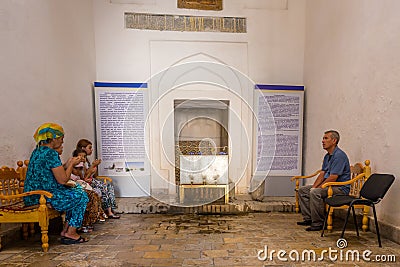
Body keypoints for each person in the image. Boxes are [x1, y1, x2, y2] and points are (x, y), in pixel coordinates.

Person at [23, 123, 89, 244]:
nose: (62, 143)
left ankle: (66, 231)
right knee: (81, 196)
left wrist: (68, 164)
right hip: (42, 196)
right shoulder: (51, 153)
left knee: (77, 191)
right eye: (61, 139)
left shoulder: (37, 151)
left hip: (32, 196)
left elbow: (54, 171)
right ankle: (71, 232)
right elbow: (63, 180)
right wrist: (72, 165)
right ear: (54, 138)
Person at [297, 130, 351, 231]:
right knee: (303, 190)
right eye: (323, 138)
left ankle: (318, 223)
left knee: (315, 192)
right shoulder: (327, 156)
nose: (323, 141)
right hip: (330, 185)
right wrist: (314, 186)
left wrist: (319, 188)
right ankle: (309, 218)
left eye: (326, 138)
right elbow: (322, 174)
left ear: (334, 140)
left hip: (340, 188)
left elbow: (333, 177)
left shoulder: (339, 156)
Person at [76, 139, 121, 219]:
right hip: (86, 182)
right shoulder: (78, 163)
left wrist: (94, 166)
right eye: (89, 148)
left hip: (91, 180)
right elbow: (85, 177)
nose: (91, 150)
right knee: (103, 187)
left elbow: (93, 175)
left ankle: (110, 209)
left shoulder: (87, 161)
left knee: (109, 186)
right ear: (83, 148)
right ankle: (108, 211)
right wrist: (93, 166)